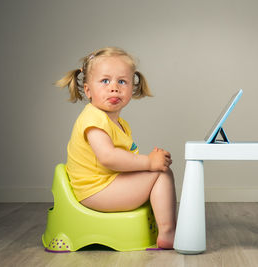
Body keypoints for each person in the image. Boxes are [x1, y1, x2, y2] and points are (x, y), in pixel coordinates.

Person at [55, 47, 176, 249]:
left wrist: (152, 161)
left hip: (105, 184)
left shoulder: (119, 123)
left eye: (122, 81)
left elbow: (119, 162)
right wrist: (149, 162)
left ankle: (164, 230)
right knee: (161, 174)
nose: (114, 88)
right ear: (88, 90)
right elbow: (108, 157)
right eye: (105, 81)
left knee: (159, 170)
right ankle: (168, 233)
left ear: (132, 87)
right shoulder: (93, 118)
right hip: (95, 191)